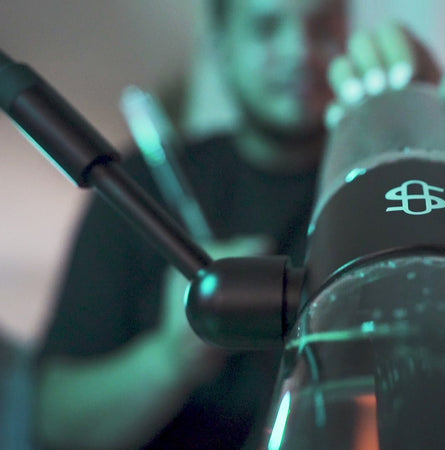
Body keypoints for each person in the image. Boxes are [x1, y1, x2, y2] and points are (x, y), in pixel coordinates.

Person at [35, 0, 348, 448]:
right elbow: (55, 422)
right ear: (221, 47)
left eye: (321, 28)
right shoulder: (138, 188)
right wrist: (172, 357)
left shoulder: (383, 189)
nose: (300, 51)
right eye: (265, 28)